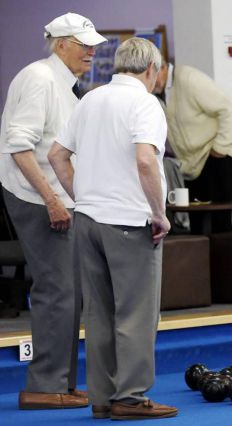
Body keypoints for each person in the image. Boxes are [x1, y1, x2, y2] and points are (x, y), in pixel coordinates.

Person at [48, 37, 177, 420]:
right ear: (152, 70)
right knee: (136, 314)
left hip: (87, 219)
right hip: (128, 221)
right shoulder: (145, 103)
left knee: (100, 314)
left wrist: (83, 195)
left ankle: (103, 398)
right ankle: (132, 398)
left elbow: (57, 156)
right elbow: (145, 162)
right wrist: (159, 213)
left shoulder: (90, 98)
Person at [0, 12, 106, 410]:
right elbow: (18, 145)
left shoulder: (65, 83)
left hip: (55, 196)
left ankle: (59, 381)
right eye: (85, 45)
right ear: (61, 44)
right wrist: (52, 199)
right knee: (57, 291)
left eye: (93, 44)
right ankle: (44, 385)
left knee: (70, 292)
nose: (92, 51)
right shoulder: (39, 79)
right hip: (35, 197)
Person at [152, 60, 232, 233]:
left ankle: (224, 261)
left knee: (219, 225)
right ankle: (201, 261)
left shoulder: (188, 78)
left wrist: (220, 148)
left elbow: (228, 109)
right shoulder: (158, 93)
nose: (150, 81)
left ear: (163, 67)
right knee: (196, 226)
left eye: (152, 75)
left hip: (217, 156)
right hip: (192, 165)